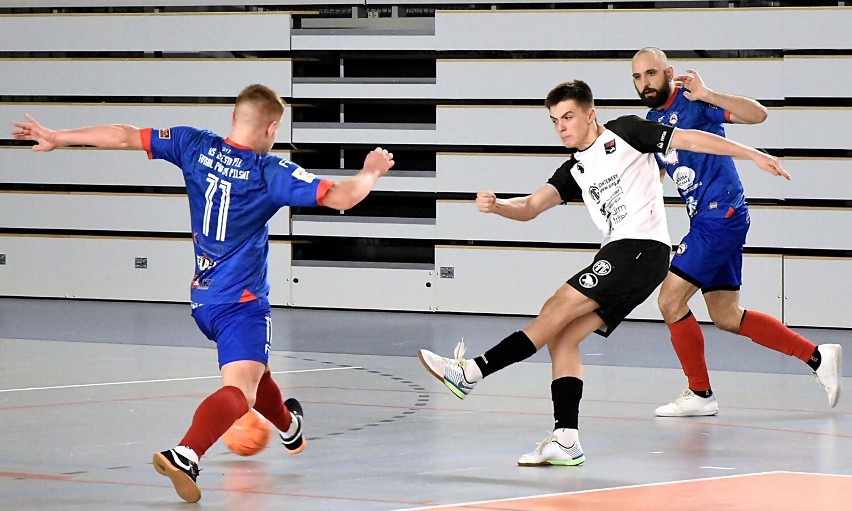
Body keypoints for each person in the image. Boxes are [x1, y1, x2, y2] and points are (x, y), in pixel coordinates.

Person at [11, 84, 394, 502]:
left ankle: (288, 427)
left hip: (202, 299)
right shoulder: (269, 172)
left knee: (255, 372)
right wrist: (371, 169)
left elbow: (123, 133)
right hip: (241, 303)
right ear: (272, 128)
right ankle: (187, 453)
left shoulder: (194, 144)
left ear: (233, 117)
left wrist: (58, 137)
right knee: (242, 391)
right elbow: (343, 197)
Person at [418, 79, 791, 467]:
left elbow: (693, 140)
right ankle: (566, 438)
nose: (561, 126)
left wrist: (752, 154)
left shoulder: (626, 132)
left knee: (558, 305)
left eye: (568, 117)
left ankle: (472, 372)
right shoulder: (574, 169)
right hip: (625, 257)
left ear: (589, 114)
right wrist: (499, 206)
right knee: (562, 337)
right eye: (554, 121)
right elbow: (530, 206)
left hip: (640, 249)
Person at [631, 47, 842, 417]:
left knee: (669, 301)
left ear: (668, 72)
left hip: (720, 216)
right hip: (709, 220)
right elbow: (664, 170)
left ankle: (700, 393)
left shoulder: (695, 102)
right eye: (637, 77)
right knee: (727, 316)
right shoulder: (652, 120)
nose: (644, 83)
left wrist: (710, 93)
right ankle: (817, 357)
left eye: (650, 73)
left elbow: (758, 114)